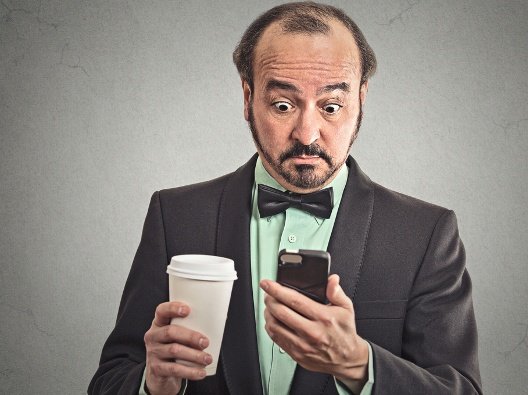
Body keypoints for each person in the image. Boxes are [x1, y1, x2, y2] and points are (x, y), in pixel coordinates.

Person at [89, 2, 481, 394]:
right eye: (283, 105)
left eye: (330, 106)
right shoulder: (174, 217)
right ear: (247, 98)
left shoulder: (426, 233)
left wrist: (361, 365)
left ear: (361, 100)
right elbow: (109, 382)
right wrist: (153, 383)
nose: (307, 133)